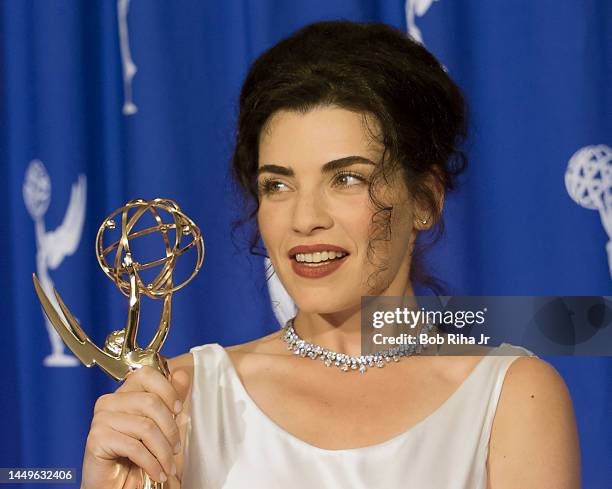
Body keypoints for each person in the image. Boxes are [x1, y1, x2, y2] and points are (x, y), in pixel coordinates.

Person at [80, 20, 581, 489]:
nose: (305, 218)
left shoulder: (512, 397)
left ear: (425, 199)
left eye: (346, 178)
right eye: (277, 184)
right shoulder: (184, 397)